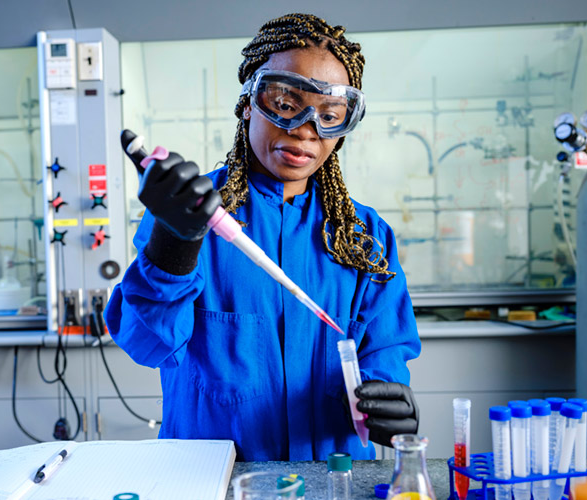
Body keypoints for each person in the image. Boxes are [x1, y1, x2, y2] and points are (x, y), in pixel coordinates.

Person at [105, 13, 421, 461]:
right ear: (250, 102)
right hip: (213, 482)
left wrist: (388, 399)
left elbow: (385, 353)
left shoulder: (365, 238)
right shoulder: (192, 217)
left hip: (334, 479)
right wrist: (176, 242)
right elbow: (146, 342)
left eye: (329, 115)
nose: (306, 129)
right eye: (287, 103)